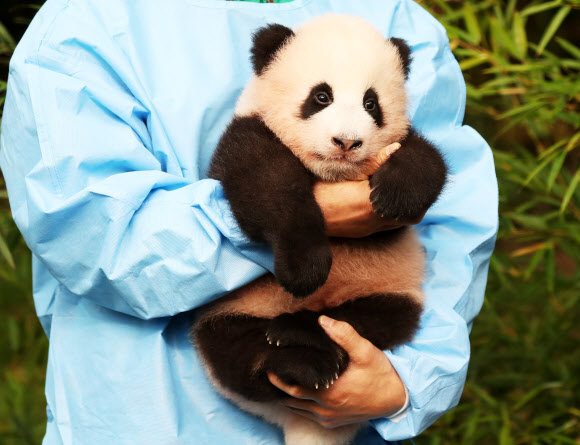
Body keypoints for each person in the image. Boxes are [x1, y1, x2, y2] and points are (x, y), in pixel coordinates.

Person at [0, 0, 498, 443]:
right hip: (146, 419)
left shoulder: (394, 17)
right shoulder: (83, 26)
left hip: (357, 382)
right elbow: (95, 240)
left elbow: (453, 231)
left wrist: (406, 381)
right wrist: (306, 220)